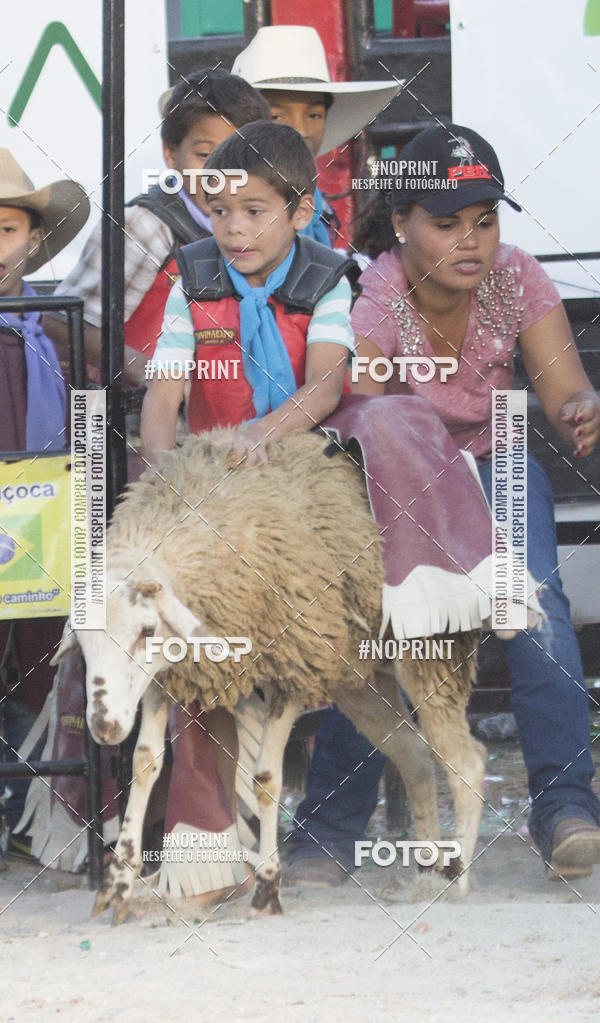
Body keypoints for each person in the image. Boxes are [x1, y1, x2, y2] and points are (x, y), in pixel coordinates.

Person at [284, 123, 600, 885]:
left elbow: (563, 392)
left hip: (497, 460)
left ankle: (565, 808)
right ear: (401, 223)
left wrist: (583, 406)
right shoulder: (377, 289)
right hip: (403, 471)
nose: (474, 240)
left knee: (534, 606)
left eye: (485, 220)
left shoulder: (519, 276)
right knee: (389, 627)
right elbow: (367, 407)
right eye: (448, 221)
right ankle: (327, 832)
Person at [139, 120, 360, 899]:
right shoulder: (189, 276)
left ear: (300, 213)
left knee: (343, 621)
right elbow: (164, 393)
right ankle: (203, 839)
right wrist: (166, 478)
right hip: (214, 474)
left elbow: (328, 383)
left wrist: (266, 435)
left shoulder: (329, 277)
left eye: (255, 210)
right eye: (220, 209)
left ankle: (331, 821)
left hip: (297, 465)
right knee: (188, 630)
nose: (233, 227)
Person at [44, 70, 271, 384]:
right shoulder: (143, 226)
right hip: (137, 419)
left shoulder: (265, 228)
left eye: (240, 155)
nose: (221, 172)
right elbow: (61, 321)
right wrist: (148, 371)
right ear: (170, 153)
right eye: (205, 155)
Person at [0, 149, 89, 846]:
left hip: (41, 532)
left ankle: (28, 817)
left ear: (32, 239)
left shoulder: (49, 328)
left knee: (36, 661)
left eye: (5, 229)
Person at [231, 25, 401, 246]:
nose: (300, 130)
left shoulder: (318, 210)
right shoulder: (228, 208)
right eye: (277, 117)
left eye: (314, 115)